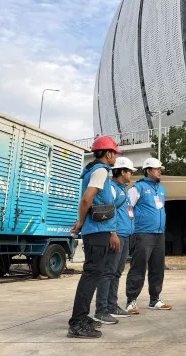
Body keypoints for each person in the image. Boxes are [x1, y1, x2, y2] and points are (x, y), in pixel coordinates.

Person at [68, 136, 121, 339]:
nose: (115, 157)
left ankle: (81, 318)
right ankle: (78, 321)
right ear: (108, 153)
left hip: (98, 231)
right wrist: (81, 222)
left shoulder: (96, 170)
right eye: (114, 153)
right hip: (97, 232)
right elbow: (87, 199)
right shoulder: (100, 170)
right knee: (91, 275)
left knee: (93, 274)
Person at [93, 157, 137, 323]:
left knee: (117, 272)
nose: (131, 174)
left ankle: (112, 306)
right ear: (122, 171)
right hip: (116, 236)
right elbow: (107, 212)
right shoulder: (111, 188)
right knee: (108, 272)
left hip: (125, 235)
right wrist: (113, 233)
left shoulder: (123, 189)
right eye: (130, 171)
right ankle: (101, 310)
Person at [125, 157, 172, 313]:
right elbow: (127, 208)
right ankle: (131, 301)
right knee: (138, 267)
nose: (159, 171)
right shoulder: (137, 188)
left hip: (159, 234)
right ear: (148, 171)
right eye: (156, 169)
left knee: (158, 268)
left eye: (160, 169)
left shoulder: (162, 189)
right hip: (143, 233)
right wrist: (132, 227)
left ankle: (155, 299)